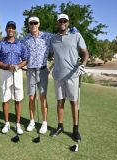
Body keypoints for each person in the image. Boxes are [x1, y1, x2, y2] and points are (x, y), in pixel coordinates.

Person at [49, 13, 89, 141]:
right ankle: (60, 126)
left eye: (64, 21)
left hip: (73, 75)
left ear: (68, 22)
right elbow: (50, 54)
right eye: (60, 21)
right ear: (57, 23)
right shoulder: (53, 39)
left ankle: (75, 129)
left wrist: (82, 65)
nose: (62, 23)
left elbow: (85, 53)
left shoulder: (76, 35)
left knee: (73, 102)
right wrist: (49, 65)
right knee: (60, 102)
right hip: (58, 75)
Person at [0, 21, 27, 135]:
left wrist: (17, 66)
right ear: (6, 29)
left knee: (18, 98)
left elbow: (26, 59)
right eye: (9, 28)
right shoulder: (0, 44)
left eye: (13, 28)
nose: (11, 30)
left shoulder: (21, 44)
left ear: (15, 30)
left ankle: (17, 124)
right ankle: (6, 123)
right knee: (5, 98)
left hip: (17, 73)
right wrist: (6, 66)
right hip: (4, 72)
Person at [21, 16, 54, 134]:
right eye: (31, 23)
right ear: (29, 25)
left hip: (43, 71)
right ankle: (32, 121)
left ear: (39, 24)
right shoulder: (24, 39)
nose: (33, 25)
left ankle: (44, 123)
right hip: (30, 71)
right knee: (31, 97)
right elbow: (20, 53)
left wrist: (73, 31)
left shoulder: (48, 36)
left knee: (42, 97)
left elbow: (60, 42)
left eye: (35, 23)